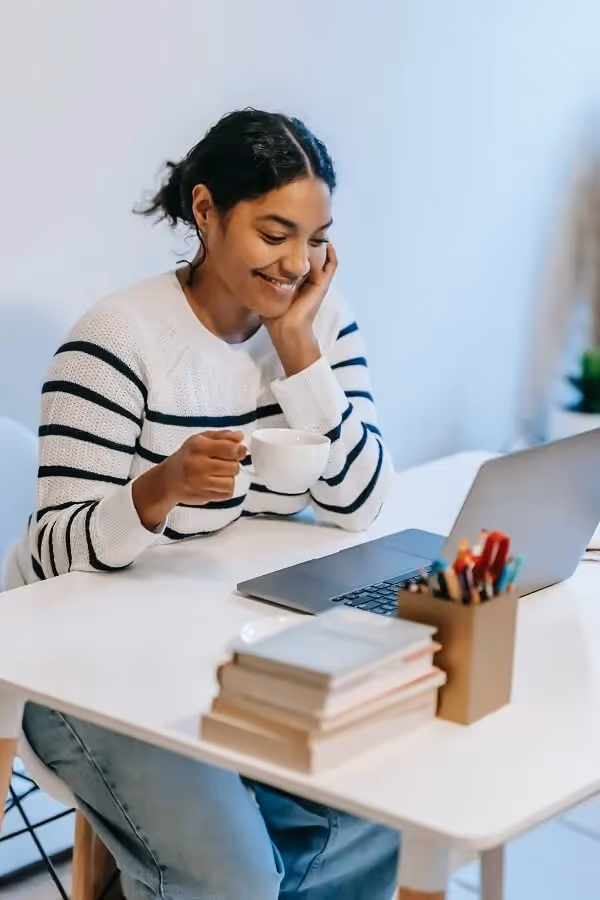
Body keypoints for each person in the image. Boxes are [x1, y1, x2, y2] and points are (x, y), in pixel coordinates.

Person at [5, 109, 398, 899]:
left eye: (316, 238)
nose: (297, 263)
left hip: (216, 644)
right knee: (234, 879)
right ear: (207, 212)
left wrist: (296, 352)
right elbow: (52, 556)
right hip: (73, 666)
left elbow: (360, 498)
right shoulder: (116, 339)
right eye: (274, 233)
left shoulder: (318, 322)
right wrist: (160, 489)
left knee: (378, 814)